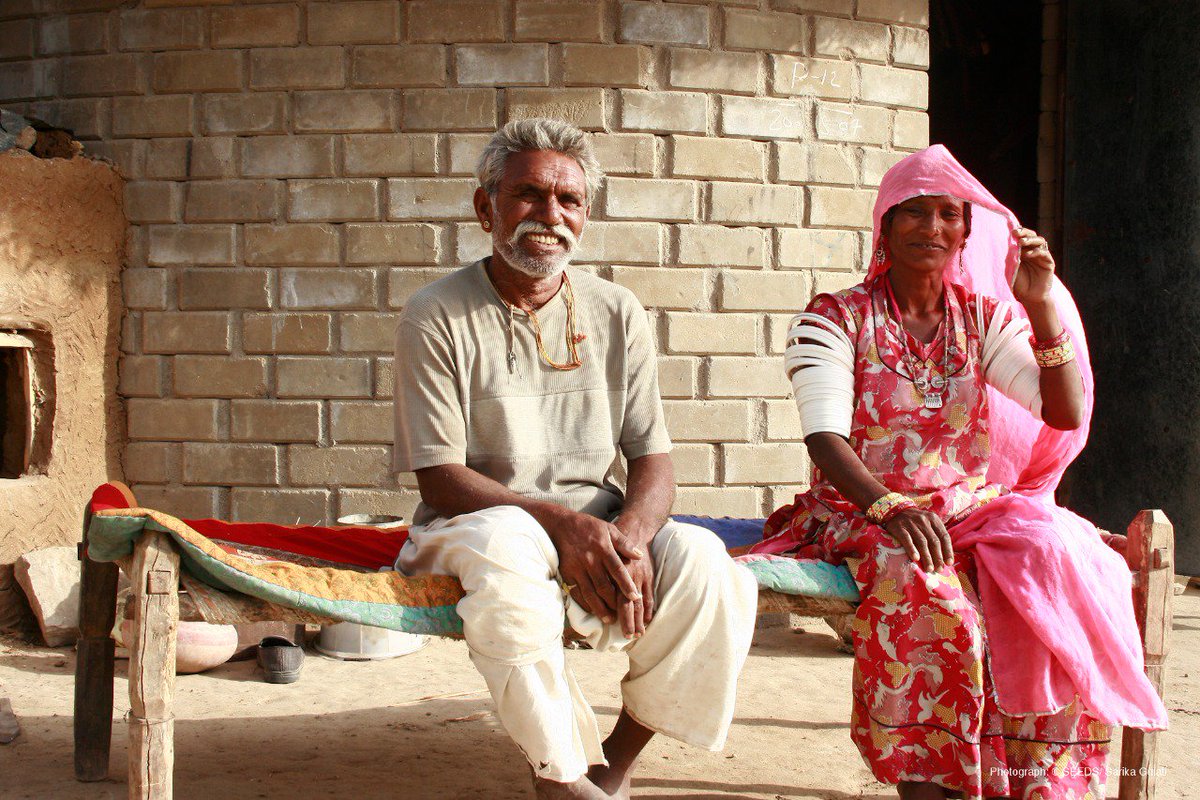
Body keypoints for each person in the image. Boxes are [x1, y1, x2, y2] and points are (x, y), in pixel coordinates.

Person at [754, 145, 1168, 799]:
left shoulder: (983, 318)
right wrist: (890, 507)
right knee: (935, 599)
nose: (931, 228)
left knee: (1058, 563)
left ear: (964, 232)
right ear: (884, 227)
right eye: (912, 213)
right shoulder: (835, 317)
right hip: (861, 508)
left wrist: (1040, 308)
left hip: (969, 505)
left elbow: (1063, 411)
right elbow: (826, 438)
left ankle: (1035, 781)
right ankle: (929, 787)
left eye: (947, 215)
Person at [391, 118, 758, 800]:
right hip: (475, 525)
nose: (550, 216)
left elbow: (653, 457)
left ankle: (610, 769)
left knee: (712, 568)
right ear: (486, 207)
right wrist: (560, 525)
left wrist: (635, 536)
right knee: (507, 554)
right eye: (529, 194)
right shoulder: (434, 314)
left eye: (570, 201)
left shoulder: (617, 311)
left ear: (585, 216)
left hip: (595, 521)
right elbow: (439, 478)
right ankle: (557, 779)